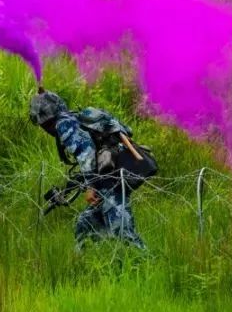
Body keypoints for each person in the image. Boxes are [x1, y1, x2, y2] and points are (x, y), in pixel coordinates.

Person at [29, 89, 146, 250]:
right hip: (108, 175)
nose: (43, 127)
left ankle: (142, 260)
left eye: (43, 123)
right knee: (84, 225)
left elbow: (87, 153)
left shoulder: (63, 125)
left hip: (110, 178)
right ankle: (90, 265)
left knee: (122, 232)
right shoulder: (71, 118)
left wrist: (91, 187)